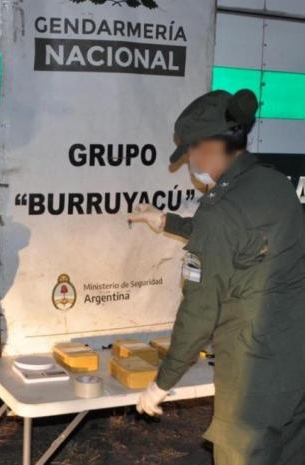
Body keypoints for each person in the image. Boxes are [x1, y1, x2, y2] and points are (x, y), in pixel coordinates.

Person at [129, 89, 305, 465]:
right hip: (296, 364)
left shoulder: (220, 210)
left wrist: (162, 382)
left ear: (210, 146)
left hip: (253, 380)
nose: (191, 161)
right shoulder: (275, 185)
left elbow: (199, 312)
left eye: (191, 151)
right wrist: (166, 221)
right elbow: (239, 241)